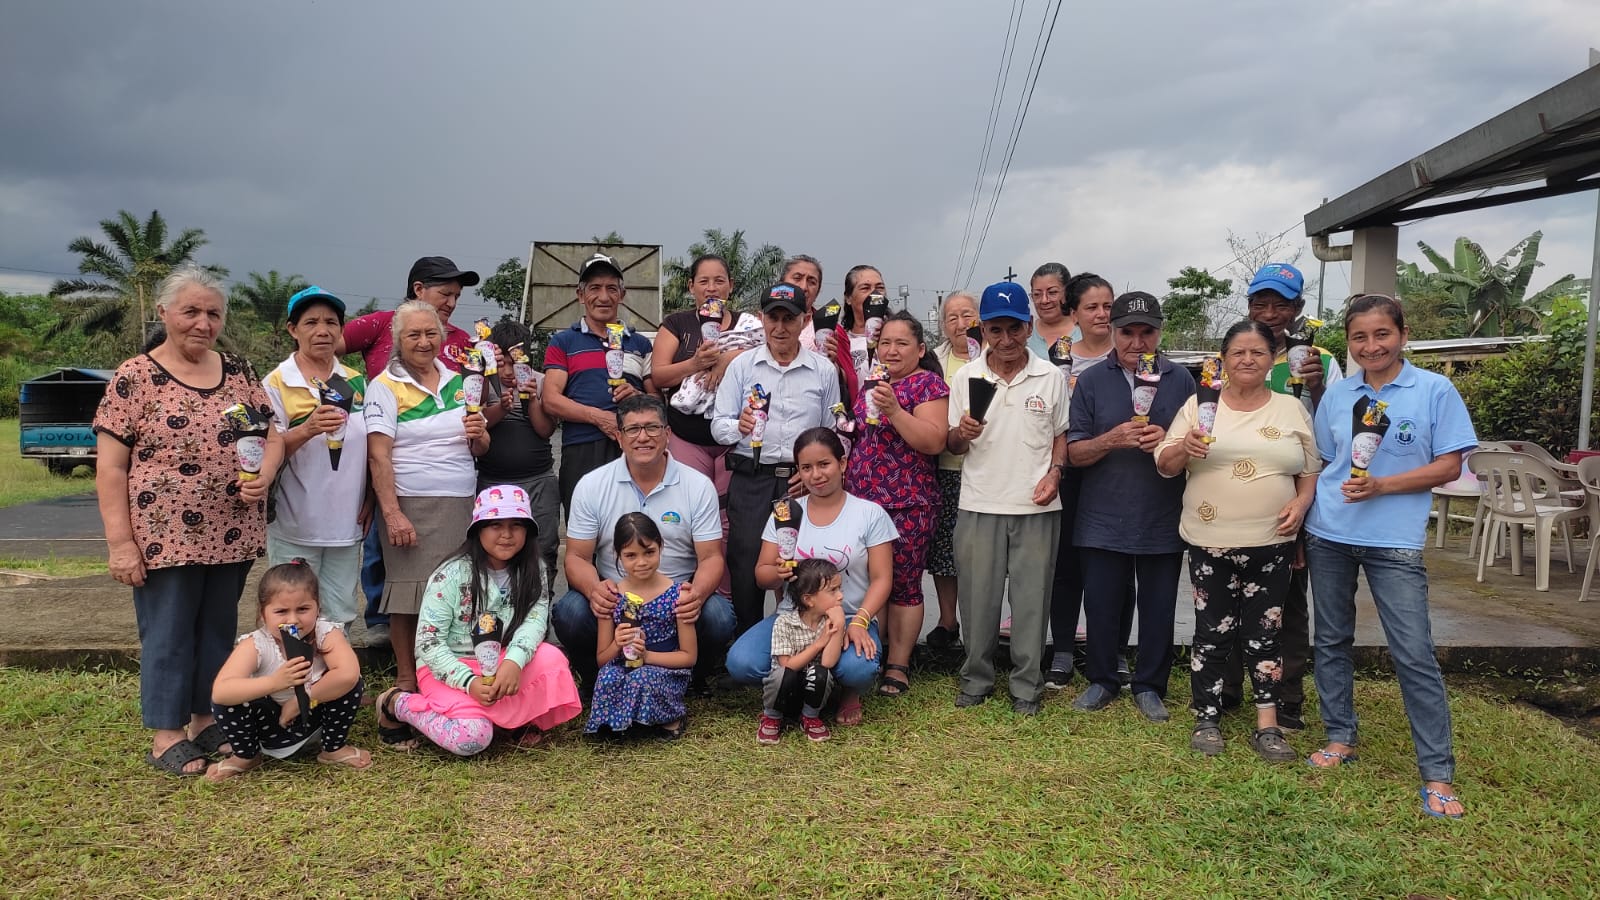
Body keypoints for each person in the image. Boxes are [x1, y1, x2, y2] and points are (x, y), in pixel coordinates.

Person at [94, 265, 284, 776]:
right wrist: (120, 544)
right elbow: (110, 468)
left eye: (213, 314)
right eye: (191, 311)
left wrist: (265, 474)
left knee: (217, 629)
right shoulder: (135, 377)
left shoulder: (239, 372)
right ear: (163, 313)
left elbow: (272, 435)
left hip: (231, 529)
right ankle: (166, 734)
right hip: (164, 535)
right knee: (169, 631)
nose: (203, 323)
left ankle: (206, 718)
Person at [1304, 294, 1475, 819]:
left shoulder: (1434, 390)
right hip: (1329, 533)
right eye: (1359, 337)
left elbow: (1449, 466)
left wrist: (1382, 486)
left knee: (1413, 651)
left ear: (1402, 335)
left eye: (1382, 334)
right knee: (1331, 639)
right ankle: (1340, 737)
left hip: (1395, 541)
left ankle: (1437, 773)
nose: (1371, 346)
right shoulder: (1338, 395)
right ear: (1348, 343)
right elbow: (1325, 462)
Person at [1155, 320, 1320, 761]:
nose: (1248, 359)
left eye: (1258, 352)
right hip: (1209, 540)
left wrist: (1301, 504)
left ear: (1272, 360)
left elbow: (1310, 471)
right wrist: (1185, 448)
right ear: (1224, 360)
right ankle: (1207, 718)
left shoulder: (1290, 408)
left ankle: (1268, 725)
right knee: (1212, 632)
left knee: (1267, 633)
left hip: (1272, 541)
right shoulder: (1200, 404)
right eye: (1238, 352)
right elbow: (1165, 465)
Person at [376, 485, 581, 755]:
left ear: (528, 532)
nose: (506, 534)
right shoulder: (450, 574)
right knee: (471, 738)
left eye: (517, 525)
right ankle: (397, 704)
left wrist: (514, 661)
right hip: (450, 667)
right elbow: (428, 643)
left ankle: (502, 717)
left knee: (552, 660)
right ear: (478, 530)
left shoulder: (535, 569)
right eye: (495, 525)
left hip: (502, 661)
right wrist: (468, 682)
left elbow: (535, 620)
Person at [1226, 261, 1345, 728]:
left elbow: (1338, 432)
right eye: (1262, 304)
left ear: (1298, 309)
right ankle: (1230, 687)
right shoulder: (1235, 355)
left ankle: (1287, 693)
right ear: (1249, 306)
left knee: (1288, 601)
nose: (1271, 314)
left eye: (1281, 305)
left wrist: (1316, 385)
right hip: (1237, 498)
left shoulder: (1322, 360)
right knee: (1230, 598)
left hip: (1297, 496)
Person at [1067, 291, 1195, 722]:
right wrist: (1112, 439)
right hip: (1102, 513)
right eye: (1127, 333)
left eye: (1147, 333)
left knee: (1159, 607)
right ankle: (1102, 679)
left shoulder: (1181, 380)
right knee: (1101, 605)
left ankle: (1150, 685)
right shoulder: (1091, 381)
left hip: (1161, 511)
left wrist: (1170, 441)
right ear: (1112, 332)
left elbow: (1195, 443)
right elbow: (1074, 453)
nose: (1137, 343)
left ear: (1159, 333)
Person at [945, 281, 1070, 717]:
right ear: (982, 331)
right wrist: (963, 433)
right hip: (979, 503)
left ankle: (1027, 685)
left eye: (1014, 328)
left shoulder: (1051, 376)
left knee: (1032, 600)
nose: (1006, 339)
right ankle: (976, 679)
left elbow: (1060, 435)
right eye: (995, 330)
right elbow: (953, 444)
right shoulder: (967, 377)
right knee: (977, 600)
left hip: (1036, 505)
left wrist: (1055, 473)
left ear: (1029, 326)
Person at [342, 255, 481, 648]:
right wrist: (338, 394)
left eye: (457, 296)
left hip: (456, 494)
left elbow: (478, 435)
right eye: (445, 292)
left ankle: (444, 660)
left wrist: (481, 430)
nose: (452, 301)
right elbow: (324, 343)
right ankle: (388, 641)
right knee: (395, 575)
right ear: (418, 289)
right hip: (399, 481)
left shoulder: (461, 351)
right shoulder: (379, 327)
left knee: (455, 586)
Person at [555, 395, 735, 692]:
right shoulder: (592, 485)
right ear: (619, 437)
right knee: (570, 611)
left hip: (674, 598)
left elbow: (712, 557)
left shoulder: (697, 485)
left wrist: (696, 595)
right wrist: (595, 590)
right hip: (617, 598)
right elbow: (576, 557)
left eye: (652, 428)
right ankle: (595, 679)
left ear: (667, 434)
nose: (643, 437)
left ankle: (691, 678)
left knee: (719, 615)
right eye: (633, 429)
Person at [725, 427, 895, 726]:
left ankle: (846, 690)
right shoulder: (785, 513)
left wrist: (861, 621)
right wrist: (777, 573)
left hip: (848, 616)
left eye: (824, 464)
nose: (816, 475)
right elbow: (762, 574)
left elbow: (882, 579)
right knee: (741, 663)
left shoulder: (869, 514)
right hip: (792, 618)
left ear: (842, 463)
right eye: (806, 467)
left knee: (858, 669)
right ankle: (796, 687)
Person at [365, 301, 490, 696]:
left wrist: (480, 434)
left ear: (442, 335)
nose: (423, 341)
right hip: (409, 504)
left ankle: (447, 675)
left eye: (430, 333)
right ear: (398, 339)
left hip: (460, 504)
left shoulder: (460, 382)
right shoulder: (383, 386)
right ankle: (407, 678)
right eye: (413, 334)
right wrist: (392, 513)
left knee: (456, 594)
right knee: (408, 594)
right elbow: (378, 455)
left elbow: (479, 448)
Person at [712, 283, 841, 633]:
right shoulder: (742, 366)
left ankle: (804, 637)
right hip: (753, 478)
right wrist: (738, 426)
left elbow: (831, 430)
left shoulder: (822, 370)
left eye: (789, 318)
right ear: (761, 319)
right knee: (747, 562)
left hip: (802, 483)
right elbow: (718, 426)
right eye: (773, 318)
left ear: (805, 320)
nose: (780, 327)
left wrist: (814, 474)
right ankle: (748, 637)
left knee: (805, 564)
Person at [843, 311, 949, 696]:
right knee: (870, 581)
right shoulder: (872, 383)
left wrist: (894, 410)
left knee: (903, 583)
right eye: (885, 343)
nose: (891, 350)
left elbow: (933, 441)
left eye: (901, 343)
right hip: (861, 501)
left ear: (920, 350)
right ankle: (872, 655)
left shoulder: (928, 385)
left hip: (907, 502)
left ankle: (898, 665)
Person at [1045, 273, 1134, 688]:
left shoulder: (1132, 354)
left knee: (1120, 566)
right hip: (1070, 472)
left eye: (1107, 306)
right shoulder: (1059, 357)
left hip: (1119, 475)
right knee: (1066, 565)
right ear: (1074, 313)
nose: (1102, 314)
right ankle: (1063, 649)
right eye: (1092, 307)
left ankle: (1115, 650)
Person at [262, 286, 369, 629]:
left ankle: (336, 666)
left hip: (346, 524)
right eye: (311, 323)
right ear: (293, 330)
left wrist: (371, 499)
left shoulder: (356, 382)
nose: (322, 331)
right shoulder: (276, 383)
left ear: (341, 329)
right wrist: (307, 429)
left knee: (340, 613)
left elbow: (371, 446)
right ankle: (295, 666)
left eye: (330, 322)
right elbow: (266, 452)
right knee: (291, 612)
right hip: (295, 524)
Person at [205, 560, 369, 780]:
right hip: (270, 726)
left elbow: (348, 673)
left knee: (353, 683)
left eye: (303, 609)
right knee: (229, 700)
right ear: (263, 613)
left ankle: (333, 748)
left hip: (314, 717)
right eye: (281, 611)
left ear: (317, 607)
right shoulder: (256, 644)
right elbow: (221, 691)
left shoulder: (325, 633)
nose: (293, 620)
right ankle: (246, 756)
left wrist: (303, 700)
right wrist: (275, 682)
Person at [543, 252, 655, 521]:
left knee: (635, 528)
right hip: (582, 448)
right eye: (594, 288)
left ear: (622, 294)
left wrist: (639, 397)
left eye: (611, 288)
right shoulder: (563, 342)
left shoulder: (640, 344)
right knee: (585, 529)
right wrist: (599, 417)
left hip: (634, 447)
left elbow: (657, 400)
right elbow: (551, 400)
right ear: (580, 295)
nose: (603, 297)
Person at [585, 513, 698, 739]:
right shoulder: (612, 597)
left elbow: (689, 657)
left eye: (649, 552)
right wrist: (617, 644)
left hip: (664, 667)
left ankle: (669, 717)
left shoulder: (678, 595)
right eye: (631, 555)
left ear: (661, 547)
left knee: (642, 678)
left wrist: (647, 656)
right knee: (608, 676)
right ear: (617, 555)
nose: (642, 562)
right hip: (623, 665)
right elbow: (602, 659)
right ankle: (620, 723)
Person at [478, 319, 560, 598]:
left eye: (516, 363)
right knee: (494, 550)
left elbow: (545, 430)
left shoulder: (540, 381)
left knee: (544, 547)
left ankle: (541, 607)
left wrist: (531, 398)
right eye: (502, 363)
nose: (509, 371)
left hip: (538, 480)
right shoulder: (483, 383)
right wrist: (501, 408)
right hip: (493, 481)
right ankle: (496, 610)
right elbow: (479, 424)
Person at [926, 291, 981, 650]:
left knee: (985, 552)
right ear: (943, 325)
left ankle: (982, 624)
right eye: (952, 318)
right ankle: (948, 621)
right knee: (945, 548)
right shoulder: (935, 361)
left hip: (990, 468)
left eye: (967, 315)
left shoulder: (997, 354)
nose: (961, 324)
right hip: (947, 466)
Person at [757, 559, 847, 745]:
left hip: (812, 690)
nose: (840, 596)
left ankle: (810, 716)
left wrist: (839, 626)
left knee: (822, 672)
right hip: (784, 690)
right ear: (808, 599)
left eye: (840, 589)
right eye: (833, 590)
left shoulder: (830, 621)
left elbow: (828, 662)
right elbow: (787, 665)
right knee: (783, 675)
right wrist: (819, 643)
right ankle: (772, 717)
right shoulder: (785, 623)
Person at [1026, 262, 1079, 358]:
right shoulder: (1025, 334)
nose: (1044, 300)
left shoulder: (1084, 330)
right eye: (1037, 294)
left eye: (1052, 292)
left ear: (1067, 293)